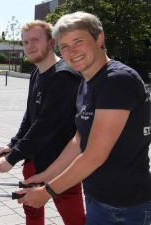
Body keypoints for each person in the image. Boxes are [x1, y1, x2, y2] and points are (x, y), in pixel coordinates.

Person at [17, 12, 151, 225]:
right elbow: (79, 140)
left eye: (78, 41)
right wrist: (45, 175)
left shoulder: (117, 80)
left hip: (125, 206)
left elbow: (94, 154)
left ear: (99, 39)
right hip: (98, 198)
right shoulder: (87, 81)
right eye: (64, 46)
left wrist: (48, 191)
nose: (72, 52)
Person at [0, 20, 86, 225]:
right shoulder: (36, 73)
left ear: (51, 42)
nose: (30, 46)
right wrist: (13, 144)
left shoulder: (64, 76)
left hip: (61, 165)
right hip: (34, 160)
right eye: (25, 42)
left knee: (74, 219)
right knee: (32, 212)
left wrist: (11, 159)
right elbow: (30, 116)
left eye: (35, 40)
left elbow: (45, 125)